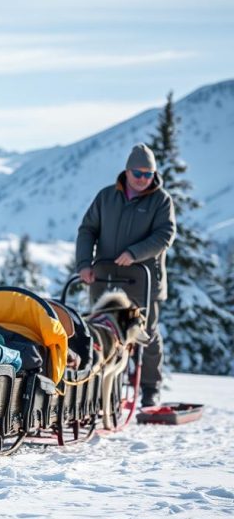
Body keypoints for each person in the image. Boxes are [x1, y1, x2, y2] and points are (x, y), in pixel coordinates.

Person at [76, 143, 175, 407]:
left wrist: (135, 253)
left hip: (142, 278)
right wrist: (85, 263)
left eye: (149, 174)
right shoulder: (106, 197)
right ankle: (104, 387)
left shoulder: (161, 200)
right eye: (138, 173)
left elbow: (165, 235)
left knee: (146, 331)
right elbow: (87, 230)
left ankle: (150, 386)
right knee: (101, 331)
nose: (144, 179)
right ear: (127, 171)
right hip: (105, 278)